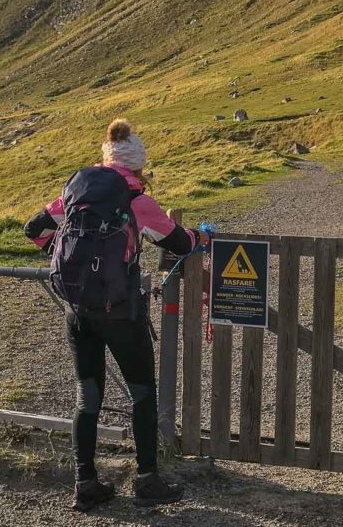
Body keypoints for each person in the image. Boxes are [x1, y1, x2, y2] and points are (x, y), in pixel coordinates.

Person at [25, 119, 209, 512]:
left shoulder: (76, 193)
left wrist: (72, 263)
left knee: (86, 396)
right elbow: (179, 241)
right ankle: (146, 480)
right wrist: (203, 236)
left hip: (77, 311)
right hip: (121, 313)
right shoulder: (136, 200)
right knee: (143, 392)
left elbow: (35, 230)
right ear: (138, 166)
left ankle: (85, 483)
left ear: (105, 159)